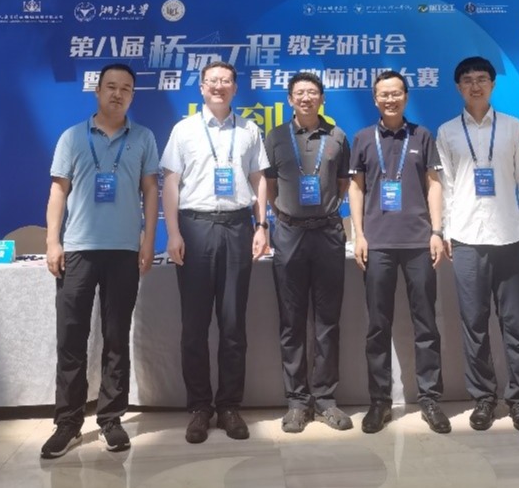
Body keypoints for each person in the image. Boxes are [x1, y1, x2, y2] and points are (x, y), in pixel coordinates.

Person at [41, 63, 160, 458]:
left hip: (124, 250)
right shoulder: (73, 137)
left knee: (116, 336)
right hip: (77, 249)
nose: (117, 94)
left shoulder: (143, 137)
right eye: (111, 86)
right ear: (97, 91)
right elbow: (58, 191)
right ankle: (68, 422)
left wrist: (148, 240)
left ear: (132, 95)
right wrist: (53, 241)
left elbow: (150, 191)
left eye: (126, 88)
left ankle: (111, 419)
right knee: (71, 337)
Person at [160, 60, 270, 444]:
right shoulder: (184, 130)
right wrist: (173, 232)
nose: (218, 87)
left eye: (225, 81)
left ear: (235, 88)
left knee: (233, 324)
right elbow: (170, 183)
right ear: (202, 88)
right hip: (195, 228)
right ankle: (199, 408)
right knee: (194, 326)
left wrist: (261, 225)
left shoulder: (249, 130)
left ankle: (229, 406)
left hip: (238, 227)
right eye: (212, 81)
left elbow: (258, 179)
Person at [436, 56, 519, 432]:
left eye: (482, 79)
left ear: (493, 85)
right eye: (467, 80)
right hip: (465, 239)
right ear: (458, 88)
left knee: (515, 326)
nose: (475, 85)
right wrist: (446, 231)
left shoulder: (513, 127)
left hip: (509, 236)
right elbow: (446, 188)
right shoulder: (447, 132)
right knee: (474, 325)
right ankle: (483, 399)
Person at [348, 70, 450, 435]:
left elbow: (434, 184)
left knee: (426, 324)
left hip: (419, 242)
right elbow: (356, 189)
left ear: (406, 96)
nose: (390, 99)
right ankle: (379, 402)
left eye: (396, 93)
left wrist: (436, 231)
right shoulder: (363, 138)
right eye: (383, 94)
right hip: (377, 244)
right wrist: (359, 235)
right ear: (375, 99)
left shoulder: (422, 135)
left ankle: (430, 399)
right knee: (378, 326)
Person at [264, 72, 352, 433]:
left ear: (322, 98)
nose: (306, 98)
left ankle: (326, 399)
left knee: (327, 320)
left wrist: (323, 211)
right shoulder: (275, 137)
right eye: (299, 93)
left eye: (312, 92)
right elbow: (269, 186)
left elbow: (343, 183)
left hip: (328, 233)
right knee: (292, 321)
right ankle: (297, 402)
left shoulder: (338, 136)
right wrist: (286, 215)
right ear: (290, 99)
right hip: (289, 234)